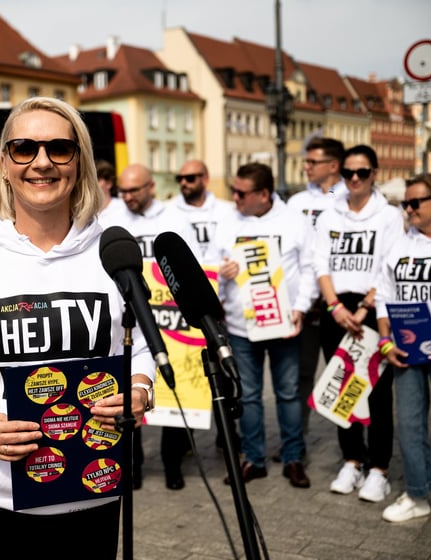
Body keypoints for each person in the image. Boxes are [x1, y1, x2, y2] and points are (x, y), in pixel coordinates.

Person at [0, 97, 155, 559]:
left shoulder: (114, 255)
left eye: (60, 148)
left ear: (79, 163)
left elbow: (141, 346)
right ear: (4, 164)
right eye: (24, 148)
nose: (42, 162)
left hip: (95, 489)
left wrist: (140, 391)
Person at [211, 163, 315, 488]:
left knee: (287, 393)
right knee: (249, 396)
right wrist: (219, 272)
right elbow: (209, 266)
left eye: (241, 193)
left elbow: (311, 268)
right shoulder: (227, 222)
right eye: (234, 190)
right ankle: (253, 460)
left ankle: (293, 458)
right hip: (241, 328)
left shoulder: (295, 222)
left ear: (264, 194)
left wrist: (301, 308)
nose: (235, 197)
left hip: (283, 324)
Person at [98, 163, 197, 490]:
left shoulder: (174, 219)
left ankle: (172, 463)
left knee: (174, 388)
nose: (127, 197)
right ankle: (133, 465)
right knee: (128, 392)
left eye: (134, 191)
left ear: (151, 187)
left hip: (170, 317)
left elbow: (190, 264)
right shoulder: (111, 220)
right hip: (127, 319)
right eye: (123, 191)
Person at [314, 145, 403, 502]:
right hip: (336, 308)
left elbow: (389, 265)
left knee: (378, 393)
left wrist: (365, 308)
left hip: (374, 306)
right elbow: (321, 263)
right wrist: (335, 306)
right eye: (347, 173)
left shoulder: (390, 215)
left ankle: (379, 468)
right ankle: (352, 459)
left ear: (374, 174)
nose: (353, 179)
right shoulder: (329, 213)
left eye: (361, 173)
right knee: (342, 388)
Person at [159, 159, 236, 490]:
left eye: (190, 177)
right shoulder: (169, 212)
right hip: (179, 309)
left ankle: (229, 447)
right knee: (183, 382)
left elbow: (232, 250)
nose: (184, 182)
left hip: (222, 306)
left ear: (205, 178)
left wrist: (228, 268)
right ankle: (173, 460)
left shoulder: (228, 211)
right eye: (179, 178)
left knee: (225, 383)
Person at [376, 173, 431, 523]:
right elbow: (384, 296)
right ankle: (418, 494)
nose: (408, 209)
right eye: (405, 203)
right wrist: (385, 340)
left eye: (415, 202)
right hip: (407, 350)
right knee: (409, 425)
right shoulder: (400, 245)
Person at [287, 138, 346, 439]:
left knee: (345, 376)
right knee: (302, 376)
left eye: (313, 162)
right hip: (307, 305)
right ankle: (297, 443)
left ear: (333, 166)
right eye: (306, 161)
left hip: (342, 302)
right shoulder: (296, 202)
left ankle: (352, 453)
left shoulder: (350, 198)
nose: (306, 166)